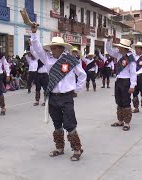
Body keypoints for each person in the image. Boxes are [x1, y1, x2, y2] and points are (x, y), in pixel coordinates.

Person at [30, 24, 86, 161]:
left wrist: (76, 90)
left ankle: (77, 149)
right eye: (51, 48)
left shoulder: (71, 60)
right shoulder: (48, 60)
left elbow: (83, 75)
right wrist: (34, 33)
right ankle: (59, 148)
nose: (52, 50)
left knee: (70, 124)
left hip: (66, 97)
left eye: (54, 48)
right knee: (57, 124)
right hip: (53, 97)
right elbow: (37, 48)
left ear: (62, 48)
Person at [107, 37, 136, 131]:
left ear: (124, 48)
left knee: (126, 101)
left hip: (126, 81)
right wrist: (108, 41)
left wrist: (132, 85)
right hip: (118, 80)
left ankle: (127, 123)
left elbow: (133, 72)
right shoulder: (118, 54)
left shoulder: (130, 57)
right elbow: (109, 50)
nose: (118, 48)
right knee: (118, 100)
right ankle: (120, 121)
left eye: (120, 47)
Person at [131, 42, 142, 114]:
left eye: (139, 48)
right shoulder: (132, 56)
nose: (137, 49)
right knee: (135, 93)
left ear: (141, 49)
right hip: (134, 76)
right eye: (136, 48)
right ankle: (136, 108)